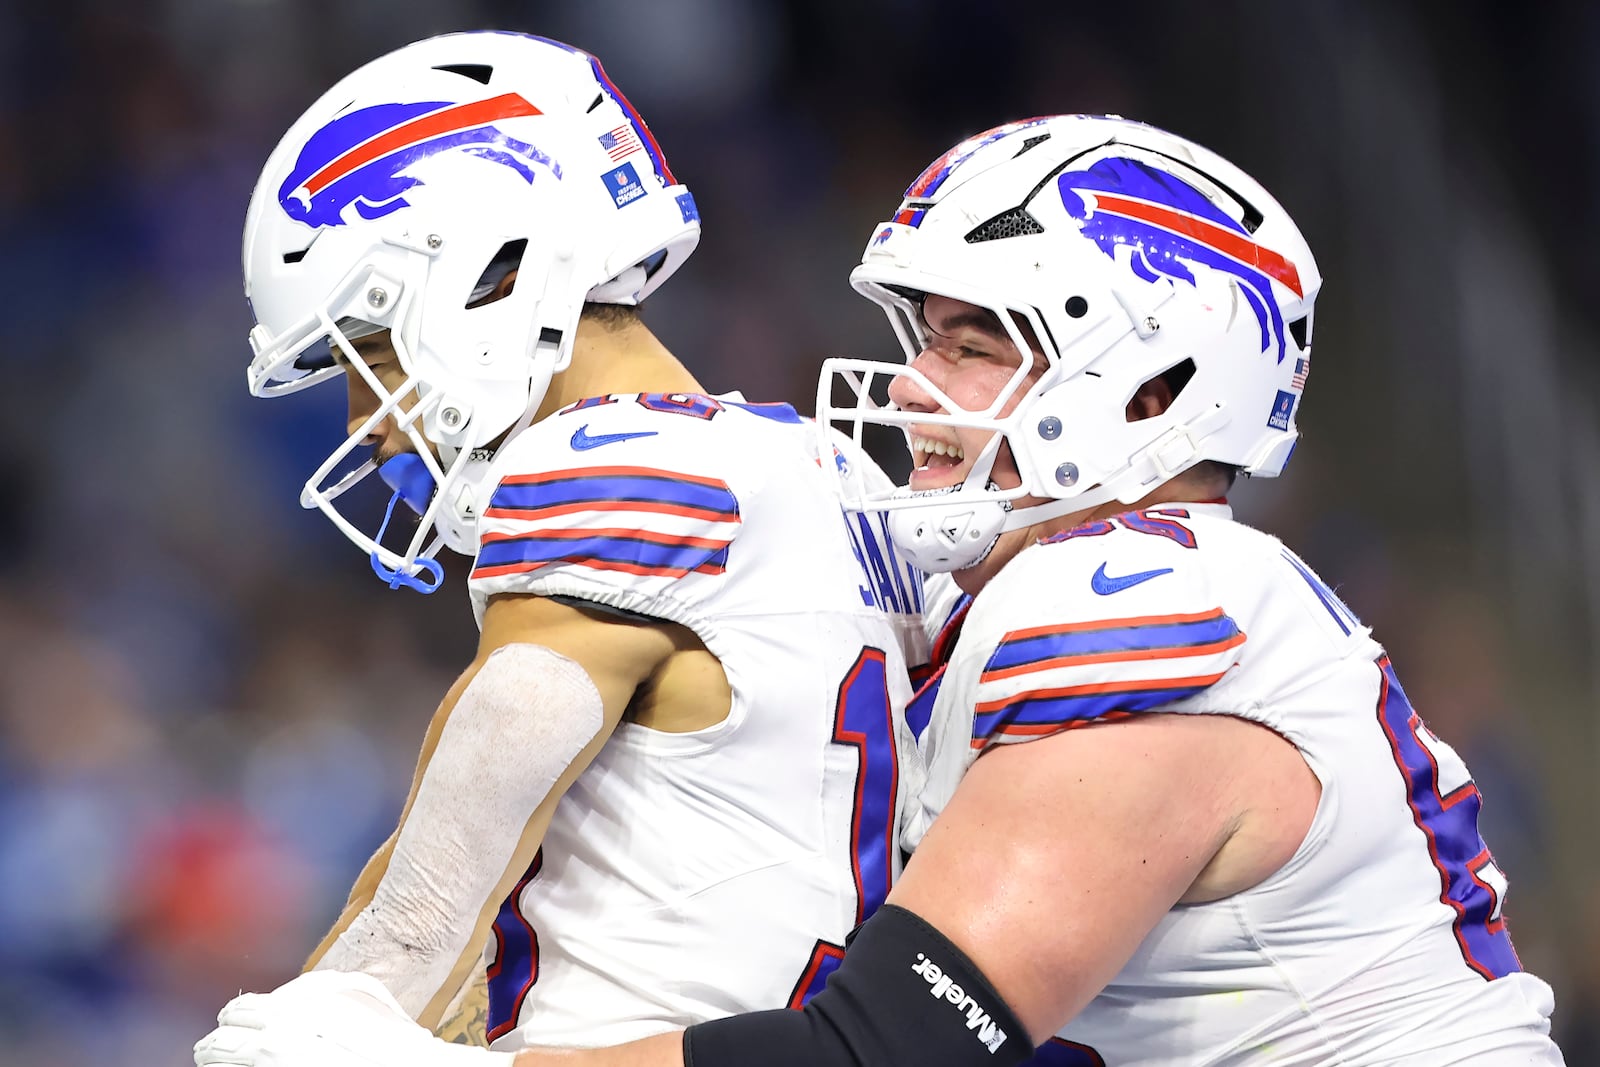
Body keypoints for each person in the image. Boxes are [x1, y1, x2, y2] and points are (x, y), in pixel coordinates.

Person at [196, 115, 1567, 1066]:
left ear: (1155, 384)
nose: (915, 382)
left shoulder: (1127, 597)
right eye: (924, 334)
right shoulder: (1027, 597)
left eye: (979, 340)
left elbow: (899, 1042)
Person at [196, 28, 937, 1059]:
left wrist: (318, 1014)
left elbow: (424, 912)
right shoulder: (839, 475)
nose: (367, 416)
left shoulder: (610, 471)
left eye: (369, 350)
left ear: (488, 276)